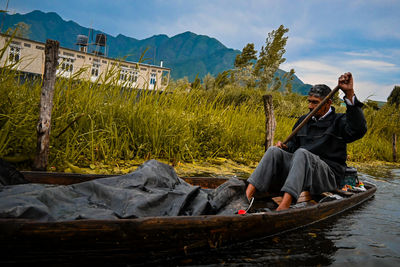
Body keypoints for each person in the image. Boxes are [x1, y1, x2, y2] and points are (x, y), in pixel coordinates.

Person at [245, 72, 367, 211]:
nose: (310, 106)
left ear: (328, 103)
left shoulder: (339, 121)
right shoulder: (304, 121)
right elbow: (293, 146)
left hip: (328, 176)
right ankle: (246, 196)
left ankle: (284, 206)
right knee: (274, 151)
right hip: (302, 171)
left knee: (303, 153)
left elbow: (358, 130)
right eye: (309, 101)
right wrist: (285, 148)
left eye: (315, 102)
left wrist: (349, 94)